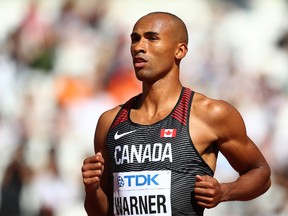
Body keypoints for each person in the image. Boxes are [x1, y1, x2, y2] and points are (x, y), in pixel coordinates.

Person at [81, 12, 271, 216]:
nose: (138, 47)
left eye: (152, 38)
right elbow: (101, 212)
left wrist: (224, 191)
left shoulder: (210, 114)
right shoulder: (110, 122)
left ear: (180, 50)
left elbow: (261, 173)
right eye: (135, 39)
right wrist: (92, 190)